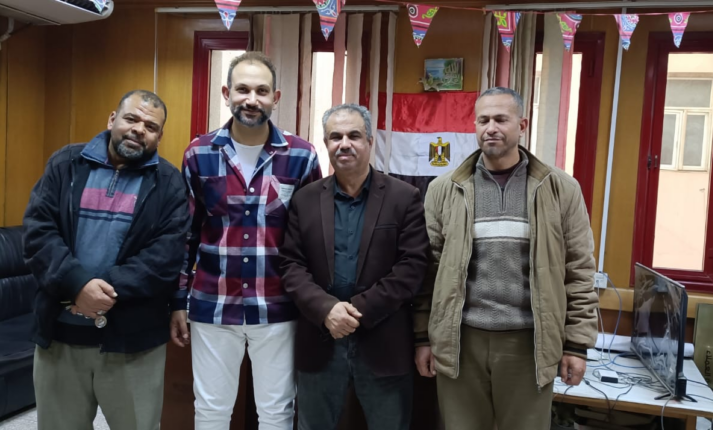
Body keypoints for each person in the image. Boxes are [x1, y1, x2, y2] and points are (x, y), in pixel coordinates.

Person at [414, 86, 598, 430]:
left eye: (501, 119)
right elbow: (428, 272)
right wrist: (424, 337)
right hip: (460, 343)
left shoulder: (560, 189)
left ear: (522, 125)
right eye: (483, 120)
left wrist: (577, 344)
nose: (491, 128)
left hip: (529, 345)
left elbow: (580, 270)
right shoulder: (444, 190)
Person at [172, 51, 321, 430]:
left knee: (276, 411)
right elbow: (185, 235)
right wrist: (177, 300)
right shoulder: (199, 153)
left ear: (276, 98)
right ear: (226, 94)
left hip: (278, 306)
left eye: (261, 91)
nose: (251, 99)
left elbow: (313, 238)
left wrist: (313, 303)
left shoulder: (301, 156)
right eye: (242, 89)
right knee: (211, 410)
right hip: (213, 305)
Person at [23, 90, 189, 430]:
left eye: (151, 127)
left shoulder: (170, 183)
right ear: (113, 119)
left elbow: (165, 256)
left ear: (159, 137)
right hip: (60, 338)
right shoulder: (65, 163)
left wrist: (101, 292)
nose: (139, 129)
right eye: (131, 119)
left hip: (134, 344)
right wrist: (77, 284)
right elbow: (38, 233)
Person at [279, 104, 429, 430]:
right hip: (320, 341)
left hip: (383, 342)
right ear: (326, 143)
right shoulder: (304, 200)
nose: (344, 144)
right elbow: (291, 264)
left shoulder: (404, 197)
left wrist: (357, 311)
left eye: (354, 136)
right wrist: (326, 310)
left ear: (370, 141)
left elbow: (412, 266)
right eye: (335, 137)